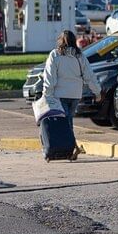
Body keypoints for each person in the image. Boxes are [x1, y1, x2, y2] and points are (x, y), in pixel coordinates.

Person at [42, 30, 102, 160]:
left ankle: (69, 149)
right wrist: (97, 92)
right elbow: (89, 76)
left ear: (60, 41)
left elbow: (49, 78)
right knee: (68, 122)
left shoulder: (55, 55)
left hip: (59, 95)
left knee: (65, 123)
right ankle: (71, 148)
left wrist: (47, 95)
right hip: (75, 95)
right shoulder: (80, 56)